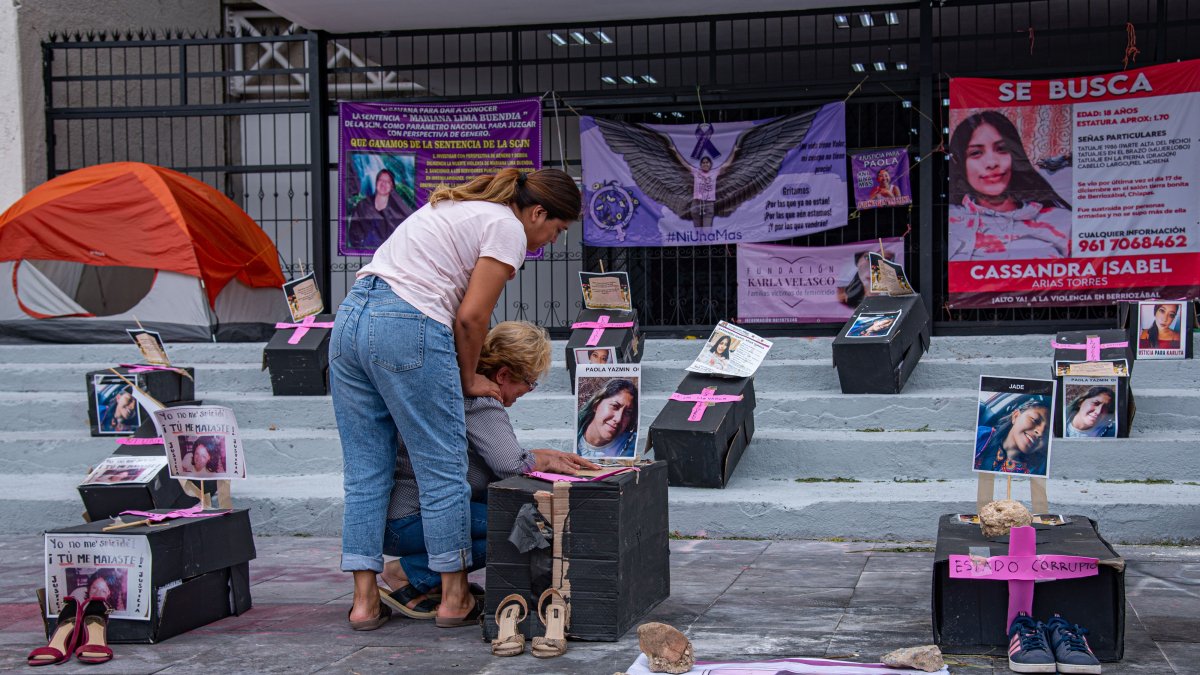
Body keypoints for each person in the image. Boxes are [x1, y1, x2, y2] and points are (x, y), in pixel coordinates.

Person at [330, 168, 580, 630]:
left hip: (350, 320)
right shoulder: (507, 226)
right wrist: (467, 378)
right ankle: (453, 597)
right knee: (441, 467)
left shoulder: (457, 207)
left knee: (365, 472)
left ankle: (364, 603)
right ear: (538, 212)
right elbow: (471, 317)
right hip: (408, 324)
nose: (552, 240)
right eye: (557, 229)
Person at [378, 322, 598, 618]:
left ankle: (429, 573)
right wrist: (544, 460)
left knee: (511, 516)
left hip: (398, 518)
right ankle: (406, 572)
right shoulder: (481, 401)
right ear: (504, 374)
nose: (528, 391)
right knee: (527, 528)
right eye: (529, 382)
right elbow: (510, 464)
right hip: (409, 522)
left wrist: (544, 454)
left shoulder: (454, 387)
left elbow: (496, 460)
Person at [947, 111, 1071, 262]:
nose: (992, 163)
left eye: (1001, 149)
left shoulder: (1061, 220)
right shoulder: (951, 221)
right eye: (976, 153)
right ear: (961, 164)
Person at [974, 397, 1050, 475]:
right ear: (1016, 416)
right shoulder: (981, 436)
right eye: (1035, 420)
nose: (1040, 432)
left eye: (1047, 432)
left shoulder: (1035, 471)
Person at [348, 168, 415, 250]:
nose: (384, 184)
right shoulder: (362, 205)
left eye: (388, 182)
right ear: (376, 183)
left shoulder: (399, 209)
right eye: (381, 180)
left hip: (389, 255)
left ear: (392, 186)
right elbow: (354, 231)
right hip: (365, 253)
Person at [576, 379, 638, 457]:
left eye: (628, 412)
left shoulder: (633, 446)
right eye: (615, 406)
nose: (618, 419)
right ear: (596, 404)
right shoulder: (573, 436)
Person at [690, 156, 716, 228]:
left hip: (708, 203)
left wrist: (734, 152)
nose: (705, 164)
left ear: (710, 164)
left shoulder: (715, 173)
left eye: (707, 162)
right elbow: (683, 163)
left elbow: (726, 165)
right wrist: (675, 152)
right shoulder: (696, 172)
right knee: (698, 230)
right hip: (696, 203)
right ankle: (699, 239)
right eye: (703, 163)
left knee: (706, 231)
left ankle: (706, 239)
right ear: (701, 165)